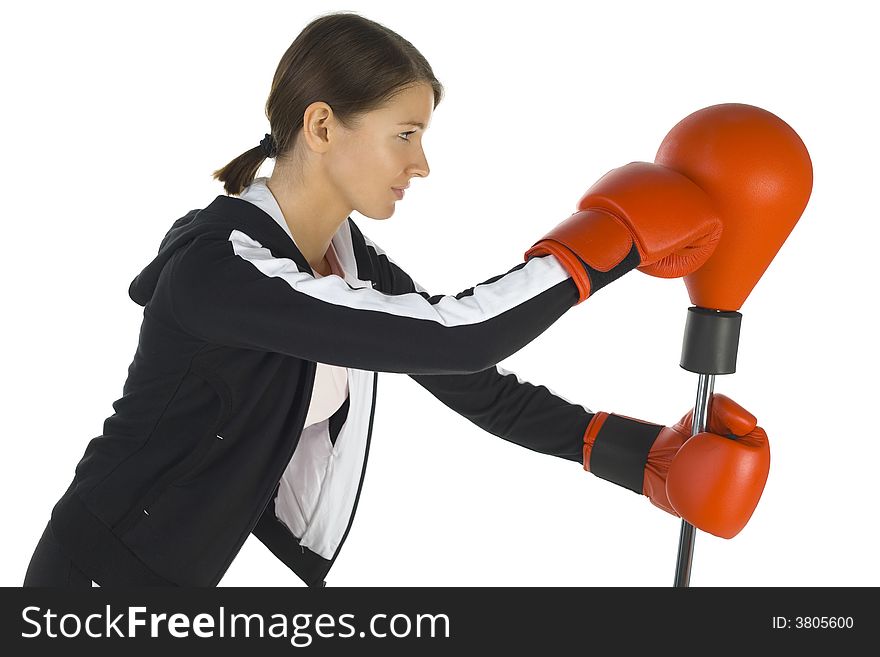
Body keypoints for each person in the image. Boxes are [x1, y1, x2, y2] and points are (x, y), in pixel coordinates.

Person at [23, 11, 768, 588]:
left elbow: (472, 383)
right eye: (404, 134)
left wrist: (637, 457)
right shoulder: (222, 269)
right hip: (98, 583)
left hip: (181, 579)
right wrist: (604, 244)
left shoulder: (344, 264)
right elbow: (457, 334)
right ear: (321, 126)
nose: (422, 163)